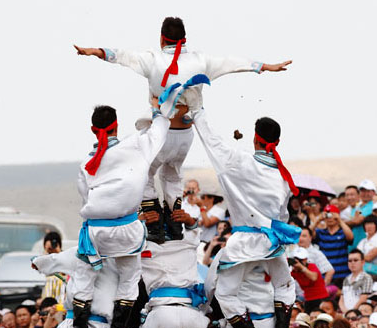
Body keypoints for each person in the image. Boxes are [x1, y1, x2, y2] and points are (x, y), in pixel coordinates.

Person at [74, 16, 290, 242]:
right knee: (173, 173)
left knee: (146, 172)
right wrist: (264, 66)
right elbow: (231, 63)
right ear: (184, 38)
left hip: (161, 135)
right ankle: (175, 218)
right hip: (186, 137)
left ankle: (155, 219)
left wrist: (94, 51)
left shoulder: (152, 59)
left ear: (161, 38)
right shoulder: (201, 61)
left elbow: (121, 56)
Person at [192, 102, 300, 328]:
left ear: (254, 138)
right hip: (272, 243)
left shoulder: (238, 162)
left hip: (243, 243)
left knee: (225, 294)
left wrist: (198, 114)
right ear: (278, 142)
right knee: (285, 286)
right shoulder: (283, 177)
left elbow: (213, 143)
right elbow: (282, 215)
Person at [73, 100, 169, 328]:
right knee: (130, 277)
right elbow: (159, 131)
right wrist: (158, 109)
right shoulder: (136, 146)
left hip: (97, 231)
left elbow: (85, 196)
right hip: (128, 229)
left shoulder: (86, 164)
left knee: (84, 276)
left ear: (93, 130)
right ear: (117, 126)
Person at [137, 213, 209, 328]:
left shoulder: (143, 247)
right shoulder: (188, 245)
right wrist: (189, 220)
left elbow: (124, 240)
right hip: (194, 320)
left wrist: (137, 222)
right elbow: (194, 231)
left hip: (160, 317)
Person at [312, 204, 352, 285]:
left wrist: (340, 220)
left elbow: (350, 237)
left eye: (332, 215)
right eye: (327, 215)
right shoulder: (320, 232)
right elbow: (307, 234)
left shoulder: (343, 231)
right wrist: (318, 220)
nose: (329, 218)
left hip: (342, 275)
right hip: (326, 275)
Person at [289, 247, 328, 313]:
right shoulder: (295, 272)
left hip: (321, 298)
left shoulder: (312, 266)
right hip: (308, 299)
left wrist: (301, 267)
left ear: (306, 259)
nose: (299, 261)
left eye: (301, 259)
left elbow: (313, 277)